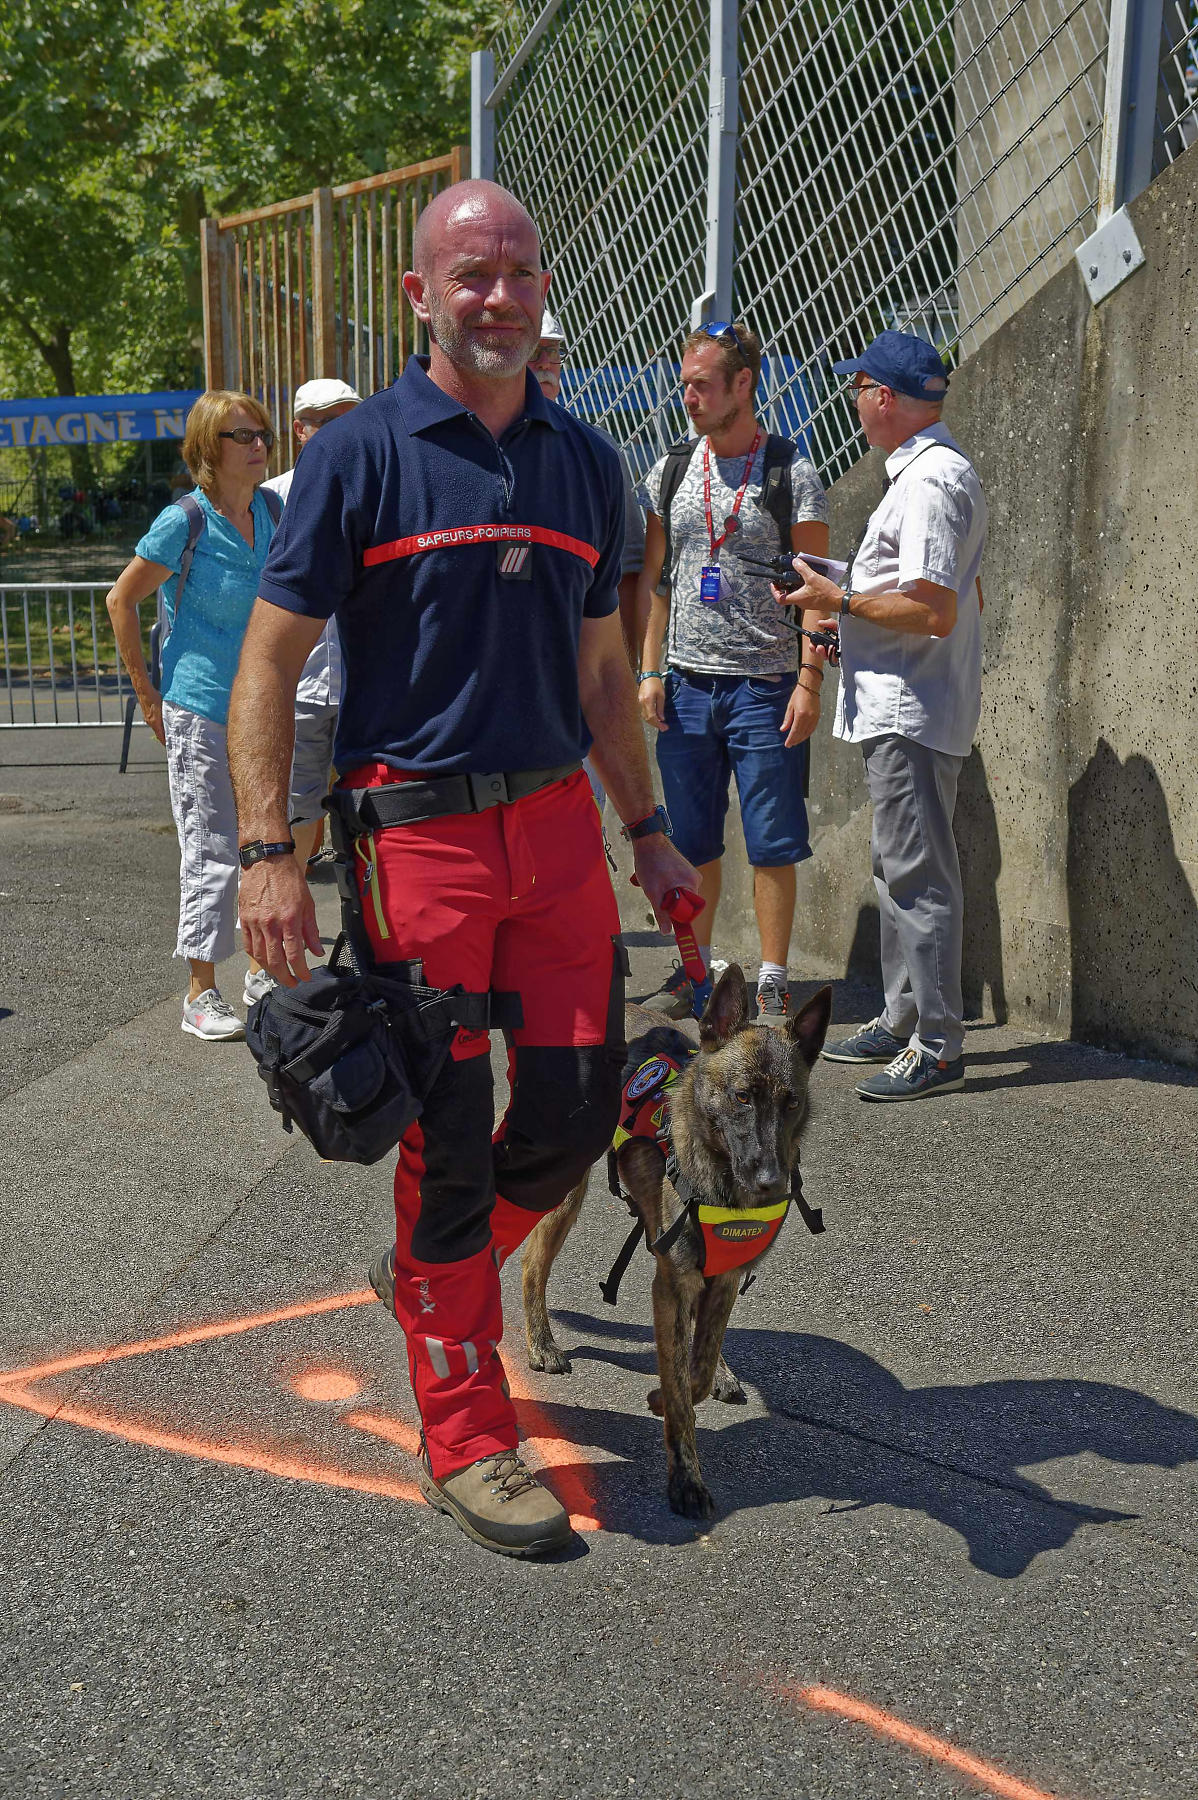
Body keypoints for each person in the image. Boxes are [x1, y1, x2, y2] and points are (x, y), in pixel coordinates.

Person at [227, 179, 698, 1558]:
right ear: (420, 294)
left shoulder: (586, 463)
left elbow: (602, 674)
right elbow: (267, 664)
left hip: (555, 833)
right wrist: (267, 853)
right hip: (413, 836)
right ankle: (468, 1434)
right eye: (469, 275)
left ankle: (435, 1280)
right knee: (445, 1140)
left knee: (573, 1113)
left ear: (542, 287)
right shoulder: (357, 455)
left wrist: (649, 829)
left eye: (517, 272)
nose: (497, 296)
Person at [791, 330, 988, 1101]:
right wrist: (843, 602)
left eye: (859, 387)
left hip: (912, 709)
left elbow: (932, 609)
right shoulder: (921, 472)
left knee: (919, 877)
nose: (854, 400)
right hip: (902, 703)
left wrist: (838, 599)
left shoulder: (932, 479)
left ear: (885, 397)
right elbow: (913, 592)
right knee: (898, 869)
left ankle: (937, 1044)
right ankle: (904, 1018)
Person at [637, 320, 831, 1021]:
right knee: (690, 841)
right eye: (683, 385)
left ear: (742, 384)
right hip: (686, 686)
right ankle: (698, 971)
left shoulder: (789, 471)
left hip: (766, 687)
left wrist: (810, 682)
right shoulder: (671, 470)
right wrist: (649, 672)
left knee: (772, 840)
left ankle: (773, 979)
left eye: (701, 386)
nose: (687, 398)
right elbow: (658, 581)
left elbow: (819, 588)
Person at [106, 392, 280, 1040]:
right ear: (210, 447)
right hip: (200, 705)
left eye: (262, 433)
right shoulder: (185, 520)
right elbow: (121, 600)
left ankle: (262, 971)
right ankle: (200, 993)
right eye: (243, 435)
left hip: (261, 708)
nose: (259, 445)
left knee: (267, 840)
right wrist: (148, 696)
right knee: (211, 849)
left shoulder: (272, 510)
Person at [263, 377, 362, 868]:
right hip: (299, 683)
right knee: (298, 806)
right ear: (300, 430)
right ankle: (295, 892)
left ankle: (370, 907)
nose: (340, 430)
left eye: (348, 419)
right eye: (326, 421)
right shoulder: (269, 500)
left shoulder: (380, 485)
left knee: (371, 803)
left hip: (364, 681)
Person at [528, 310, 645, 663]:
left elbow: (628, 567)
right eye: (534, 351)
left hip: (580, 653)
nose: (545, 363)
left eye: (553, 351)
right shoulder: (482, 443)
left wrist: (629, 670)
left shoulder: (598, 449)